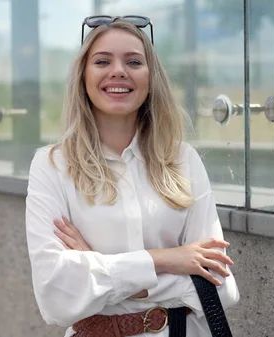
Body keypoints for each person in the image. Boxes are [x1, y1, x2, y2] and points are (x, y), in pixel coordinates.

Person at [25, 16, 240, 337]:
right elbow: (56, 295)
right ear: (83, 76)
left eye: (134, 61)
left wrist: (96, 266)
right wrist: (165, 259)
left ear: (151, 78)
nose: (118, 71)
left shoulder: (183, 160)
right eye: (102, 61)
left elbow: (222, 289)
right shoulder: (52, 165)